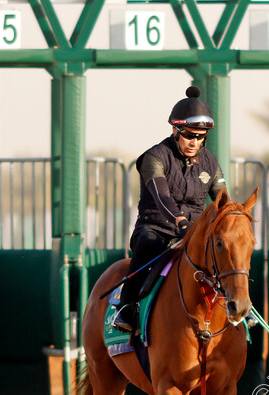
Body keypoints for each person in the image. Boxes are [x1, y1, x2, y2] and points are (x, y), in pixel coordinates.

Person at [112, 86, 226, 333]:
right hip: (157, 229)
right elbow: (162, 197)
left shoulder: (211, 162)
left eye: (200, 136)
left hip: (195, 233)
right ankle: (126, 307)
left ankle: (237, 309)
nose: (195, 141)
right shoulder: (154, 157)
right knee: (147, 244)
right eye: (188, 135)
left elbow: (221, 199)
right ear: (175, 130)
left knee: (229, 253)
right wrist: (180, 221)